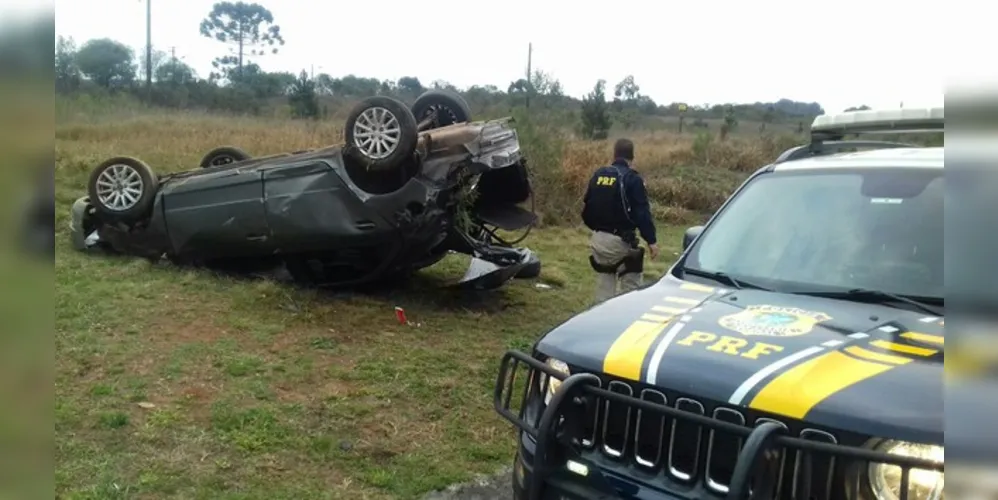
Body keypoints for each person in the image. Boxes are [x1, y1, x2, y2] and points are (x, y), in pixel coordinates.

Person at [582, 138, 659, 303]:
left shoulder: (599, 175)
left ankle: (601, 316)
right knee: (631, 284)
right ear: (632, 157)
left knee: (605, 285)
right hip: (621, 242)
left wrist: (599, 228)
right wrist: (651, 241)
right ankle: (625, 318)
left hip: (598, 241)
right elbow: (642, 214)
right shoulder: (633, 179)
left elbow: (586, 209)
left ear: (614, 154)